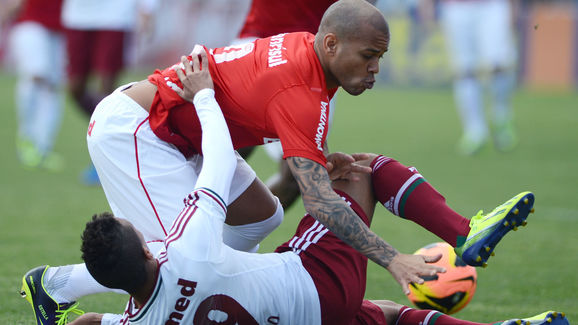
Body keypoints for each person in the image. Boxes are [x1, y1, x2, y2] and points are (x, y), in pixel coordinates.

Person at [21, 0, 536, 321]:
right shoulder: (302, 89)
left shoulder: (310, 63)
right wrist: (394, 260)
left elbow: (292, 157)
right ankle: (55, 285)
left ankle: (463, 231)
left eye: (382, 57)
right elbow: (319, 200)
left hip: (177, 131)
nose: (376, 69)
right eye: (367, 57)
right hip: (133, 130)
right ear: (330, 43)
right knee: (169, 260)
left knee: (263, 216)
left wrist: (310, 159)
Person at [232, 0, 377, 209]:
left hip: (314, 57)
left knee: (297, 177)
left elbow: (364, 10)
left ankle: (232, 234)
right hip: (260, 41)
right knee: (230, 148)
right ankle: (188, 222)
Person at [60, 0, 158, 184]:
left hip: (115, 16)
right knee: (75, 88)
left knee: (105, 89)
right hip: (77, 16)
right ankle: (115, 135)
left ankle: (104, 156)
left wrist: (148, 8)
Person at [421, 0, 519, 155]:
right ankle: (475, 131)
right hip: (455, 8)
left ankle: (501, 114)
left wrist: (514, 6)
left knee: (499, 64)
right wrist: (427, 5)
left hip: (491, 6)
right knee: (464, 70)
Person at [3, 0, 65, 171]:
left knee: (52, 87)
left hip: (59, 30)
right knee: (35, 75)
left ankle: (43, 145)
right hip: (30, 24)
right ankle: (26, 136)